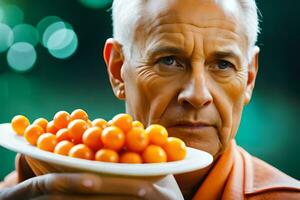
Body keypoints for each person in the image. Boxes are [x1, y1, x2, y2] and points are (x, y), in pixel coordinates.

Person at [1, 0, 300, 199]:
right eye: (169, 61)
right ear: (118, 70)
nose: (197, 95)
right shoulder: (31, 186)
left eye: (223, 65)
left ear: (248, 79)